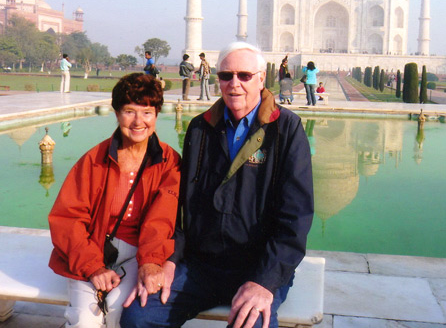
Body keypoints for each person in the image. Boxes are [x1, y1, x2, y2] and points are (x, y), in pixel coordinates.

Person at [121, 42, 314, 328]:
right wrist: (171, 259)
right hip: (203, 265)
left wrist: (265, 282)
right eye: (226, 76)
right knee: (140, 316)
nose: (234, 84)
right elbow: (180, 203)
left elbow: (295, 219)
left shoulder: (285, 129)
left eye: (244, 76)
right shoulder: (201, 127)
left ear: (261, 79)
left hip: (259, 266)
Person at [48, 73, 181, 328]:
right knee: (85, 321)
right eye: (129, 112)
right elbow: (68, 218)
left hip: (138, 254)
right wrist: (93, 267)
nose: (138, 121)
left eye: (147, 112)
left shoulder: (168, 162)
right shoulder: (95, 159)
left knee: (124, 314)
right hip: (92, 248)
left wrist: (151, 262)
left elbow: (162, 219)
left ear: (157, 114)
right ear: (117, 113)